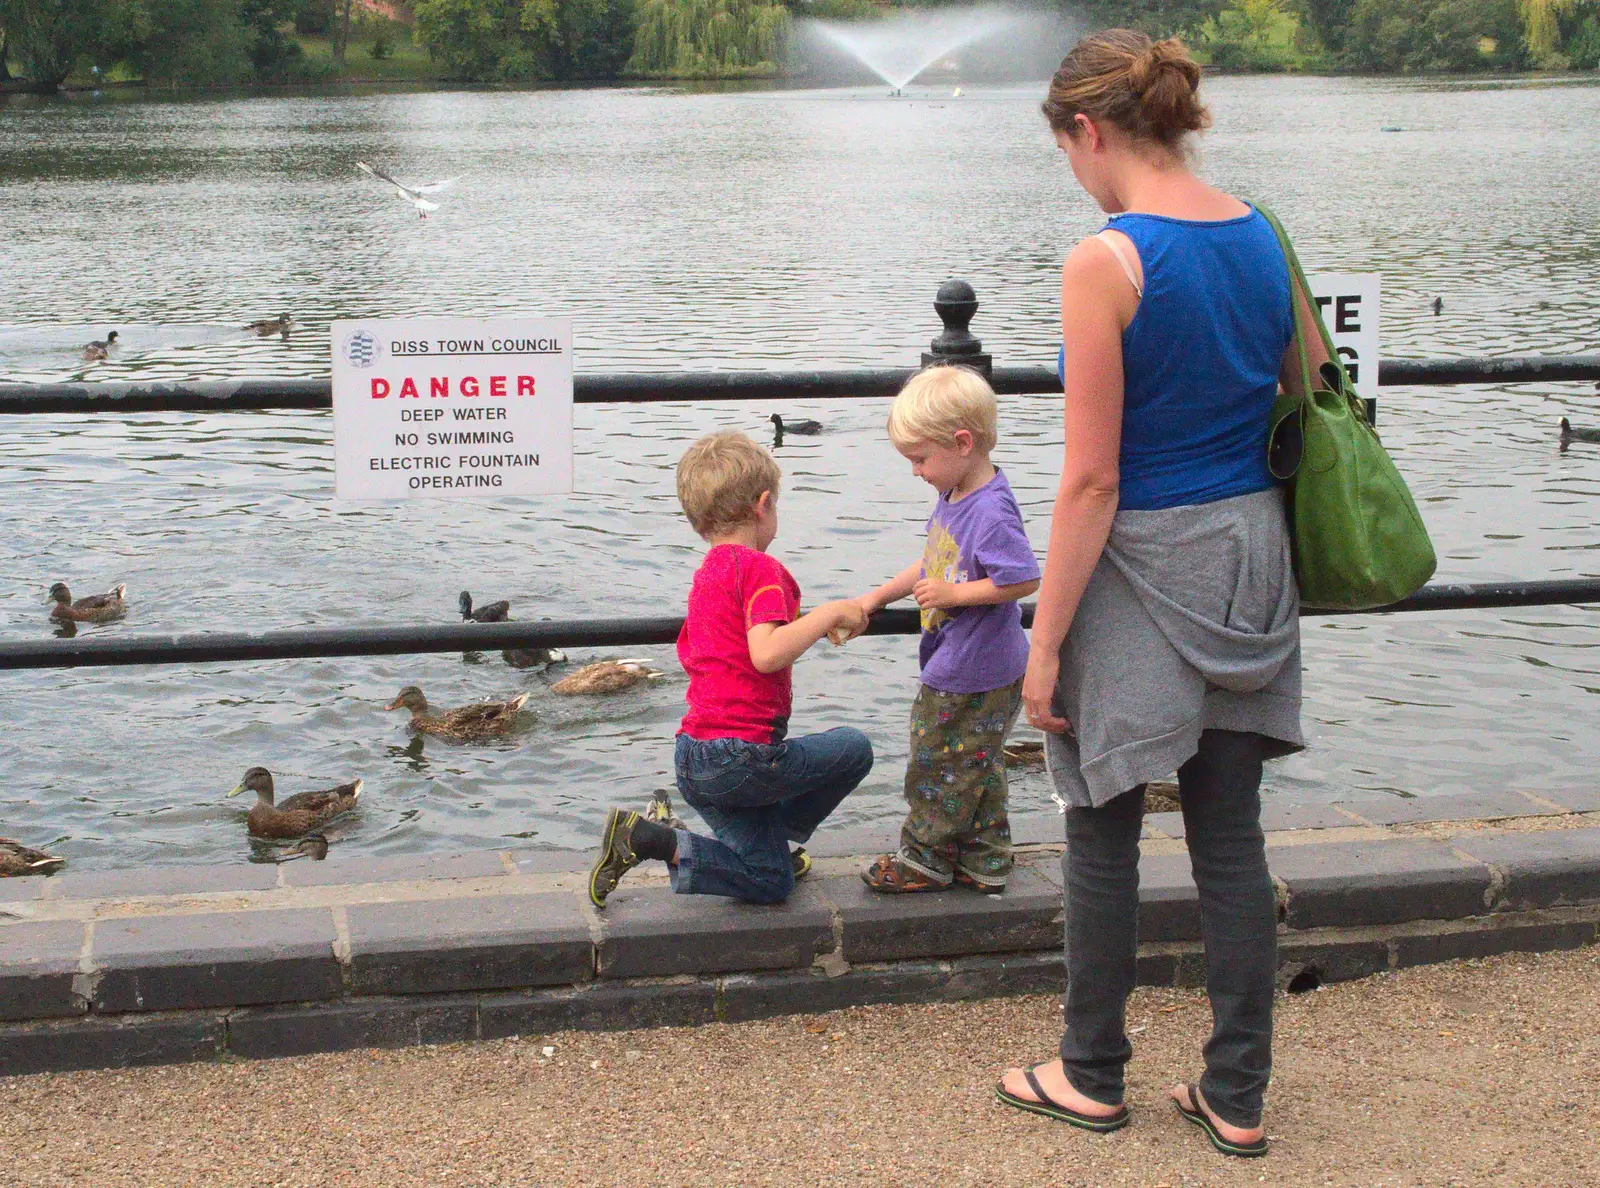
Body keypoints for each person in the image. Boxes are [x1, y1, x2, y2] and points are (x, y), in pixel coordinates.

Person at [995, 30, 1326, 1160]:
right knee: (1230, 837)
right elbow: (1309, 389)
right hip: (1249, 549)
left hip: (1139, 559)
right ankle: (1236, 1092)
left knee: (1101, 827)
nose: (1073, 174)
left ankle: (1089, 1073)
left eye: (1065, 152)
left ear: (1088, 131)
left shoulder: (1106, 260)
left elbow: (1091, 478)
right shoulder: (1259, 232)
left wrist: (1040, 644)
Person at [588, 430, 873, 908]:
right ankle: (773, 837)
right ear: (763, 505)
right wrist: (828, 614)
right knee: (854, 749)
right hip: (738, 761)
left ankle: (653, 840)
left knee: (771, 881)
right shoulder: (759, 568)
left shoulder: (707, 577)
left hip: (692, 759)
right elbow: (766, 654)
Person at [853, 366, 1040, 893]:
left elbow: (1022, 578)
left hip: (973, 666)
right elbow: (935, 561)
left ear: (962, 443)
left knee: (935, 761)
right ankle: (985, 859)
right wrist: (878, 596)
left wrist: (956, 595)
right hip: (968, 659)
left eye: (919, 459)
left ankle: (924, 859)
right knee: (977, 764)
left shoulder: (991, 510)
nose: (915, 471)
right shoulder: (956, 496)